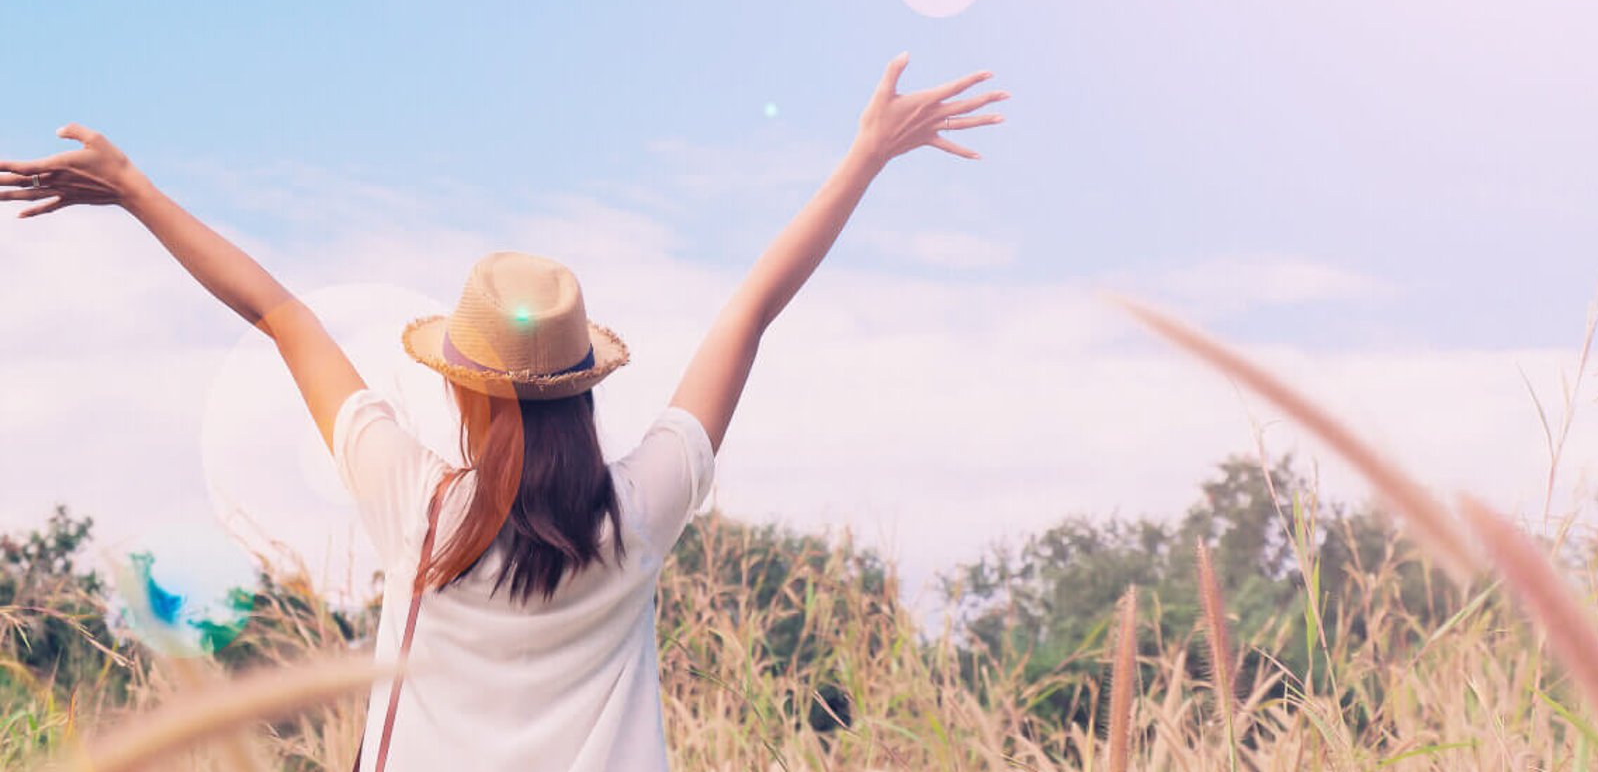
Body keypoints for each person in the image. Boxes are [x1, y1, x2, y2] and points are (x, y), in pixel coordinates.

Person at [0, 53, 1009, 771]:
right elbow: (749, 312)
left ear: (456, 384)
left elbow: (277, 312)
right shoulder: (638, 514)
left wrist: (136, 190)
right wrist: (866, 156)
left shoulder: (416, 507)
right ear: (582, 387)